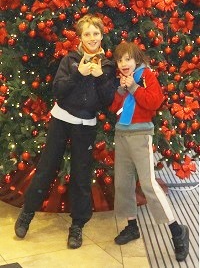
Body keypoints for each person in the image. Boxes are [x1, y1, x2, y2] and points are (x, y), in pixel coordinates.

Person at [14, 14, 116, 249]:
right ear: (80, 37)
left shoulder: (108, 66)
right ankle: (27, 214)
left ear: (102, 35)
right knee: (46, 168)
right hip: (61, 120)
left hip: (86, 126)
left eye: (96, 33)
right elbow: (58, 91)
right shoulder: (70, 60)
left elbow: (108, 100)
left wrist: (100, 78)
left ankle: (77, 226)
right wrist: (78, 73)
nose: (92, 38)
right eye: (87, 34)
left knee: (81, 176)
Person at [109, 42, 189, 262]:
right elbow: (114, 108)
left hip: (141, 135)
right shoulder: (121, 80)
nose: (124, 64)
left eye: (128, 59)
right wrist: (120, 90)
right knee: (123, 183)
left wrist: (133, 87)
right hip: (121, 134)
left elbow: (154, 102)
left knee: (149, 184)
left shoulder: (146, 76)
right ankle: (132, 226)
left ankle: (177, 231)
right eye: (120, 60)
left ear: (136, 60)